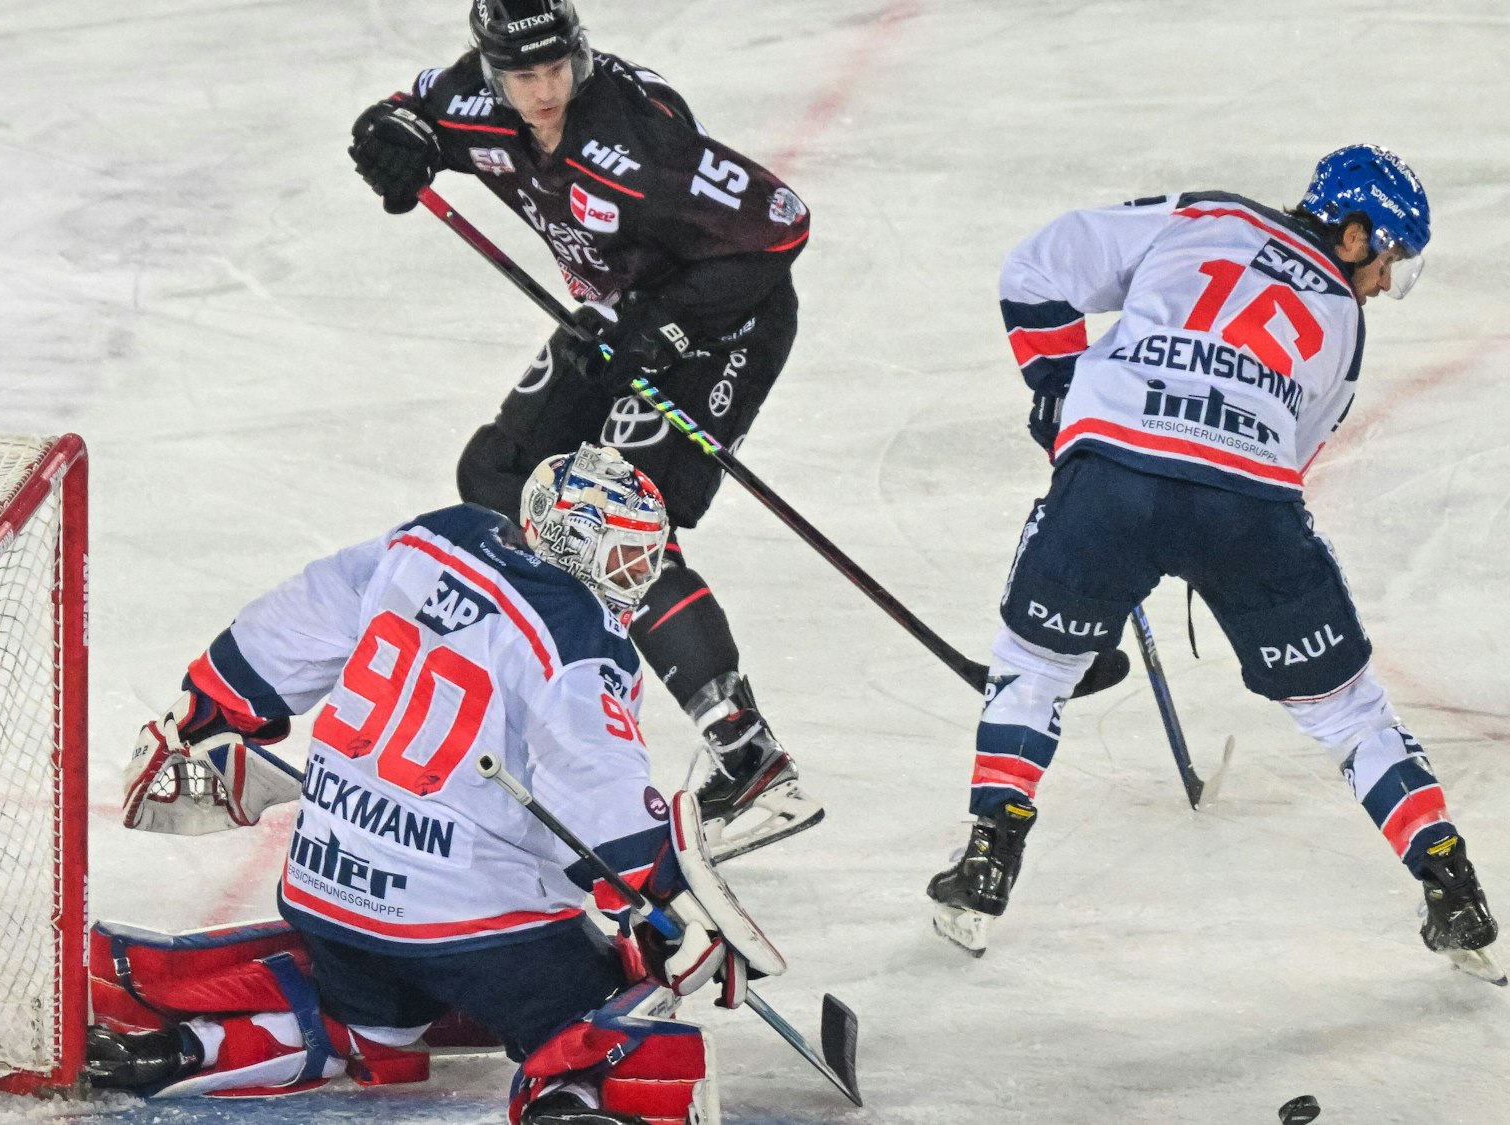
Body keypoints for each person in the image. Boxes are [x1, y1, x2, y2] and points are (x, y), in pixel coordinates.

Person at [925, 145, 1501, 981]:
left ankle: (987, 860)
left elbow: (1036, 266)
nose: (1384, 283)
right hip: (1249, 508)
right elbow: (1290, 459)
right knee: (1346, 710)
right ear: (1350, 234)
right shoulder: (1343, 326)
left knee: (1036, 665)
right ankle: (1450, 881)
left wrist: (1060, 392)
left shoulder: (1205, 216)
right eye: (1387, 260)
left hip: (1113, 475)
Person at [99, 444, 781, 1124]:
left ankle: (190, 1047)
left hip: (328, 893)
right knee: (605, 998)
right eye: (624, 554)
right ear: (574, 541)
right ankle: (571, 1101)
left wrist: (212, 700)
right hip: (470, 929)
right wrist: (669, 896)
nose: (635, 575)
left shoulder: (434, 536)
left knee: (365, 1016)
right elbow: (596, 793)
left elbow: (296, 618)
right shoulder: (580, 636)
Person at [345, 0, 818, 858]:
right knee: (499, 473)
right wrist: (389, 139)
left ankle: (748, 756)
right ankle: (549, 707)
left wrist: (660, 325)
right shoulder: (474, 101)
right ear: (491, 70)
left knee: (614, 522)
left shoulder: (637, 144)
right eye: (523, 76)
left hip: (721, 326)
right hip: (614, 318)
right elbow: (407, 113)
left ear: (580, 53)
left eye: (557, 67)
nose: (545, 89)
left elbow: (781, 226)